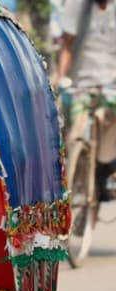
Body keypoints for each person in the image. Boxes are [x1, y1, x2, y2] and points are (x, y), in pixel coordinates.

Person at [57, 0, 116, 200]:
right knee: (75, 135)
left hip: (111, 86)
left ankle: (105, 173)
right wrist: (59, 79)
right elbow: (67, 45)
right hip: (81, 83)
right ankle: (71, 179)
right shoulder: (76, 5)